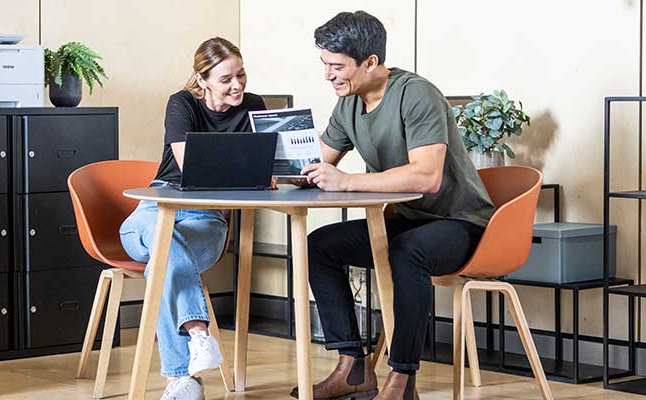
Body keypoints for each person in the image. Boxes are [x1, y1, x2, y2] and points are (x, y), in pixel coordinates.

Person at [290, 11, 495, 400]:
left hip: (460, 222)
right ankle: (352, 367)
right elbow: (318, 162)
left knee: (406, 252)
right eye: (325, 65)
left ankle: (402, 380)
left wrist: (348, 182)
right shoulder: (349, 103)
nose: (329, 75)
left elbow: (427, 176)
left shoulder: (416, 94)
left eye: (337, 66)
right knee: (320, 245)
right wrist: (277, 171)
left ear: (370, 62)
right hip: (406, 219)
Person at [119, 37, 265, 400]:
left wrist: (267, 170)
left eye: (241, 74)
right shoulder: (181, 103)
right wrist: (247, 171)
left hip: (206, 218)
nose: (237, 85)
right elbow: (190, 166)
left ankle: (183, 380)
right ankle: (199, 334)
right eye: (226, 79)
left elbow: (267, 169)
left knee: (162, 263)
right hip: (155, 209)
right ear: (202, 80)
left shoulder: (254, 107)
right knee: (162, 242)